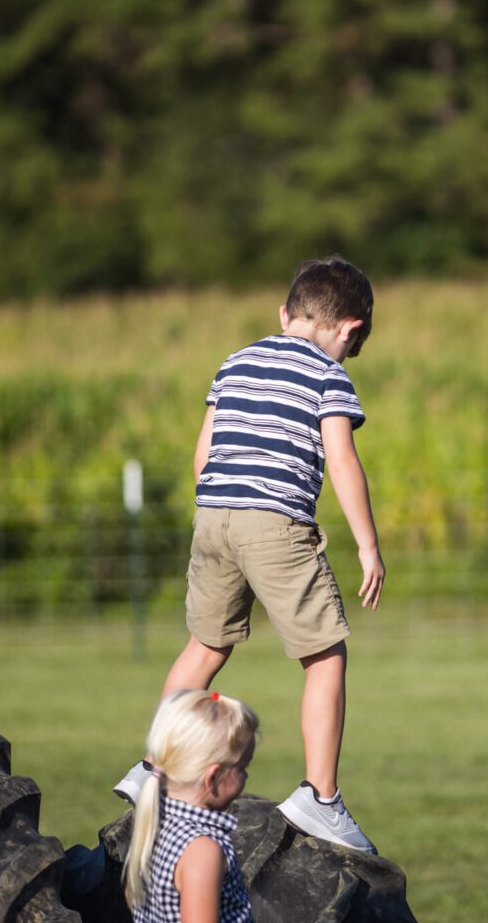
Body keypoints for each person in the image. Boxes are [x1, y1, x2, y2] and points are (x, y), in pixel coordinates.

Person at [116, 256, 385, 854]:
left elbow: (203, 453)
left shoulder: (235, 363)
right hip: (275, 521)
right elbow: (341, 461)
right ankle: (321, 798)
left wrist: (217, 514)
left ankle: (152, 771)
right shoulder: (328, 376)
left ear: (284, 314)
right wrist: (368, 545)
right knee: (325, 655)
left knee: (205, 647)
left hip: (213, 516)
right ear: (349, 328)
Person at [125, 689, 259, 923]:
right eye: (242, 768)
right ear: (214, 777)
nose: (246, 776)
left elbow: (131, 895)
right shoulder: (202, 850)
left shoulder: (154, 822)